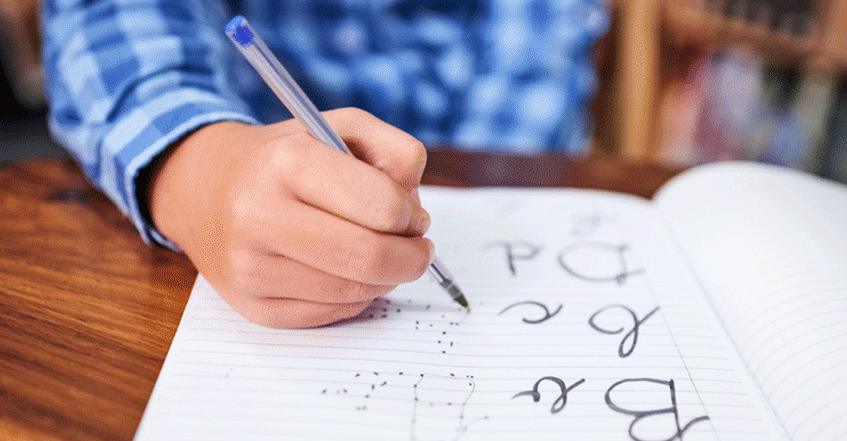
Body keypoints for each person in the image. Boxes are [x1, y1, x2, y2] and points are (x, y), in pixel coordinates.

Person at [42, 0, 608, 327]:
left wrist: (447, 192)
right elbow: (114, 28)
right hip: (247, 165)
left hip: (486, 175)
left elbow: (531, 61)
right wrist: (199, 169)